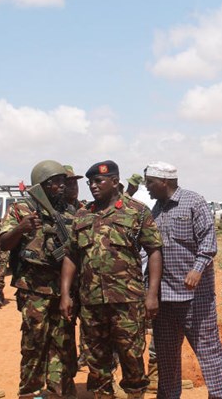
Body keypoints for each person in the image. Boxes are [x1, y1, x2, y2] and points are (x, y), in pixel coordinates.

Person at [61, 160, 163, 399]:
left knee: (132, 357)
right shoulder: (83, 214)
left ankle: (135, 394)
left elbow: (154, 251)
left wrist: (152, 294)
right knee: (96, 361)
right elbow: (71, 256)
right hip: (92, 302)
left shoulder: (136, 211)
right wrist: (65, 294)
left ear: (115, 182)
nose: (93, 187)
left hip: (127, 301)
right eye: (90, 183)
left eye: (99, 181)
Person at [144, 161, 222, 399]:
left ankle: (220, 396)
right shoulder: (155, 210)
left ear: (164, 182)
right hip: (165, 298)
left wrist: (198, 268)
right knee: (166, 355)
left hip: (195, 297)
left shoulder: (194, 202)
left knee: (208, 350)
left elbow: (208, 241)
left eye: (150, 182)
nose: (147, 187)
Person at [0, 160, 77, 399]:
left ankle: (59, 391)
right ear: (42, 185)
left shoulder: (71, 211)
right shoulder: (22, 209)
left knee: (63, 343)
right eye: (56, 182)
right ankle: (30, 392)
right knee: (34, 343)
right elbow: (3, 243)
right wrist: (20, 229)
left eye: (63, 182)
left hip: (63, 289)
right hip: (34, 289)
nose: (62, 187)